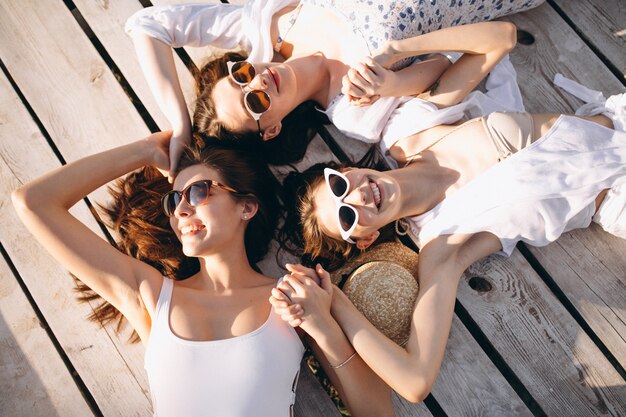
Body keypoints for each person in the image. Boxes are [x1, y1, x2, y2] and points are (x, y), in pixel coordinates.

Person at [270, 96, 626, 402]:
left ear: (345, 169)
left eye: (338, 186)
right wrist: (337, 304)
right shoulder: (442, 247)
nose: (358, 196)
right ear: (365, 240)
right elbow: (415, 381)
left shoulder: (410, 135)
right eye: (347, 216)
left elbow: (495, 41)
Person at [11, 133, 393, 417]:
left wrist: (322, 326)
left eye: (197, 193)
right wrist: (145, 151)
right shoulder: (150, 297)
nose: (180, 211)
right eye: (174, 200)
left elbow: (377, 414)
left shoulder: (291, 297)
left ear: (246, 207)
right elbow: (33, 203)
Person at [125, 0, 545, 172]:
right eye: (254, 102)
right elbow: (452, 59)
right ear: (271, 128)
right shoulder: (354, 108)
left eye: (240, 76)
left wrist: (180, 126)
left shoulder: (267, 23)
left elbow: (147, 25)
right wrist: (395, 76)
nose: (258, 80)